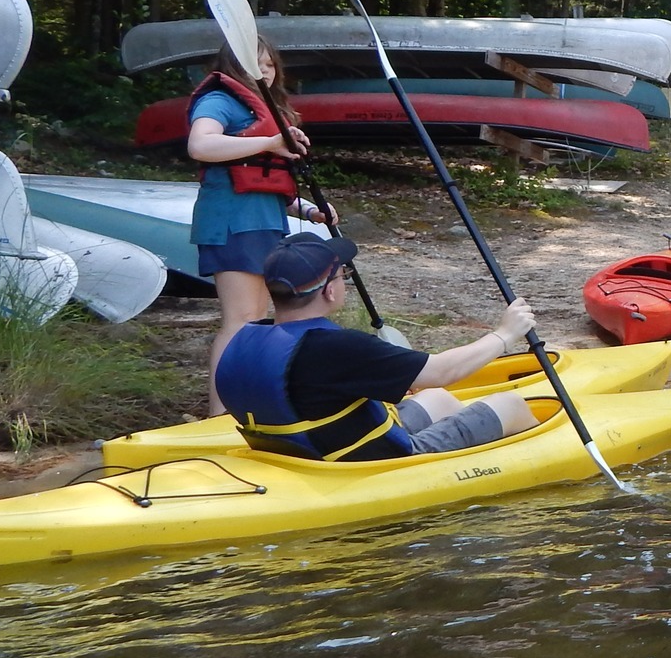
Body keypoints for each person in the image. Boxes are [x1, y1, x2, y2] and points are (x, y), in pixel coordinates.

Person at [215, 232, 540, 460]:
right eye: (342, 275)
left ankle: (471, 453)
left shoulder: (245, 338)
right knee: (510, 404)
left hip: (302, 450)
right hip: (371, 459)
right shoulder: (337, 348)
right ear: (329, 292)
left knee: (437, 400)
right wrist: (505, 334)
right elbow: (443, 371)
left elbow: (431, 386)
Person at [185, 41, 328, 413]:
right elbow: (200, 145)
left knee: (256, 319)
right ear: (235, 65)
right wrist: (270, 140)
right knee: (241, 318)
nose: (265, 70)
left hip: (262, 222)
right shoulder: (219, 100)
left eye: (270, 64)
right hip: (232, 222)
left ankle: (245, 404)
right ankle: (218, 415)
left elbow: (264, 183)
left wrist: (310, 211)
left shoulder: (266, 109)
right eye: (256, 63)